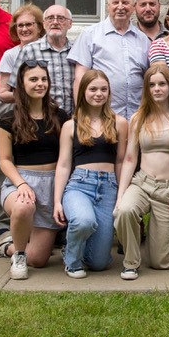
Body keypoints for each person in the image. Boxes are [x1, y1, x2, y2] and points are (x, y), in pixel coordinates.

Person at [114, 63, 169, 280]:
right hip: (143, 183)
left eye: (162, 84)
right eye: (152, 85)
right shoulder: (139, 117)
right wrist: (121, 195)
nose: (157, 89)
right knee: (124, 212)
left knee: (161, 262)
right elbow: (130, 159)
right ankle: (131, 262)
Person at [0, 60, 68, 279]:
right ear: (21, 83)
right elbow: (5, 160)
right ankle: (18, 254)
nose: (40, 84)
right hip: (21, 182)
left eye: (43, 79)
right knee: (24, 206)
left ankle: (6, 245)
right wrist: (21, 184)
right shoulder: (9, 120)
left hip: (51, 184)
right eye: (33, 79)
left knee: (37, 259)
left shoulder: (61, 117)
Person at [54, 69, 129, 277]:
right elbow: (63, 165)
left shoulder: (120, 123)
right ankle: (72, 260)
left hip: (108, 187)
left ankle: (78, 248)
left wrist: (121, 194)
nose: (98, 94)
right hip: (79, 185)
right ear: (83, 93)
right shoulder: (71, 125)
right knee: (83, 221)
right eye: (93, 89)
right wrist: (57, 201)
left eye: (103, 89)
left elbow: (121, 161)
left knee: (99, 263)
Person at [0, 2, 45, 247]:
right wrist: (29, 94)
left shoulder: (46, 52)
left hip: (43, 118)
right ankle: (1, 223)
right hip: (13, 118)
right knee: (4, 166)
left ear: (39, 27)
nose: (24, 29)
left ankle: (42, 221)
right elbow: (3, 92)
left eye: (29, 24)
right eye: (19, 26)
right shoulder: (10, 55)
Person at [70, 0, 150, 120]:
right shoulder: (90, 35)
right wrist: (82, 114)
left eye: (125, 2)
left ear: (133, 6)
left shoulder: (143, 39)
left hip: (137, 119)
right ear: (108, 5)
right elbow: (80, 78)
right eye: (115, 2)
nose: (120, 7)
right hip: (101, 118)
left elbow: (148, 78)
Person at [16, 4, 75, 115]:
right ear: (44, 24)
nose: (55, 22)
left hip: (73, 119)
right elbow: (17, 88)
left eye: (61, 18)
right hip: (41, 119)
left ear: (70, 24)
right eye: (50, 18)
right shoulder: (29, 50)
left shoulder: (78, 50)